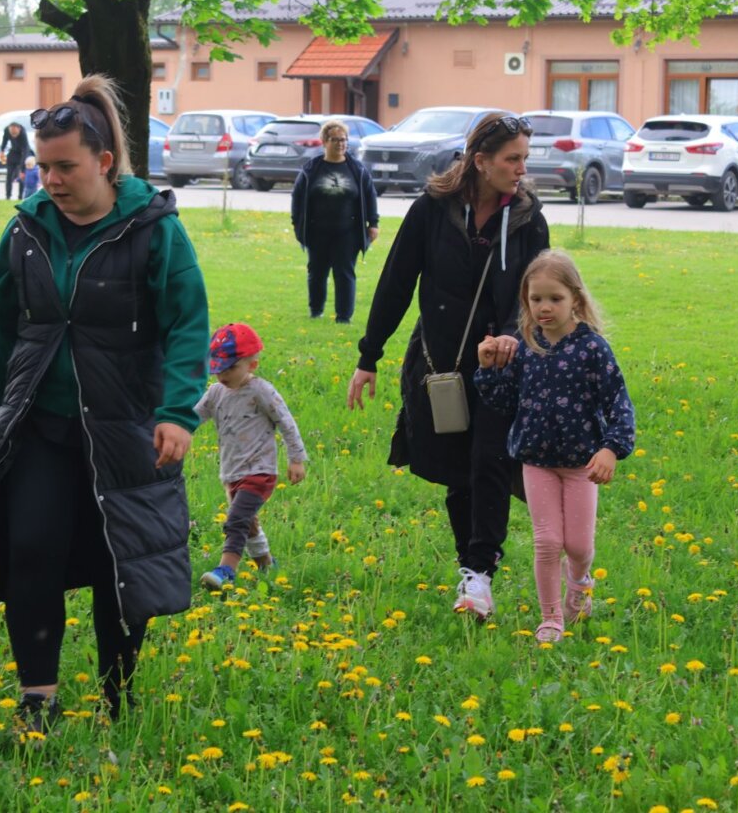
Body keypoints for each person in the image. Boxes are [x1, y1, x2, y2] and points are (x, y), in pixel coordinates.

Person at [0, 75, 210, 731]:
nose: (48, 179)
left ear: (104, 162)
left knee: (122, 564)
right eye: (40, 166)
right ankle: (39, 698)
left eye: (64, 167)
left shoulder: (154, 230)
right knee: (31, 551)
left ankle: (119, 695)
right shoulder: (25, 231)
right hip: (40, 427)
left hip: (125, 427)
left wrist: (175, 413)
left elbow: (188, 325)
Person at [346, 112, 550, 620]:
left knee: (489, 461)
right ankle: (472, 569)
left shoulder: (528, 218)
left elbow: (537, 294)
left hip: (502, 366)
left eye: (525, 157)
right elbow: (396, 282)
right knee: (461, 470)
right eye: (512, 159)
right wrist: (368, 356)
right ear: (480, 161)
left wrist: (509, 335)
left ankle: (480, 571)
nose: (522, 168)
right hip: (439, 364)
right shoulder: (432, 210)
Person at [473, 251, 635, 643]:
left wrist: (611, 448)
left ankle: (579, 585)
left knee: (578, 545)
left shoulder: (593, 349)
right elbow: (503, 403)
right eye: (535, 299)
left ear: (575, 299)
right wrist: (489, 368)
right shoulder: (525, 347)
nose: (544, 308)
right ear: (525, 301)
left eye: (555, 299)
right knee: (548, 541)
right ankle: (551, 619)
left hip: (582, 464)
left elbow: (619, 403)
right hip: (536, 461)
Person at [195, 323, 306, 590]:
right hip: (231, 472)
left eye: (230, 367)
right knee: (249, 524)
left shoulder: (260, 391)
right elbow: (192, 417)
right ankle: (267, 566)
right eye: (218, 367)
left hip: (260, 470)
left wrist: (296, 458)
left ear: (252, 364)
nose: (222, 374)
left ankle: (226, 570)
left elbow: (286, 422)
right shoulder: (215, 393)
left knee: (235, 521)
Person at [291, 120, 380, 323]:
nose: (340, 144)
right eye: (335, 140)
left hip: (348, 231)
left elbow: (369, 195)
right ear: (324, 141)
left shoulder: (357, 170)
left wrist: (373, 224)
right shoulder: (311, 170)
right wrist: (297, 224)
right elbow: (297, 197)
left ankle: (344, 316)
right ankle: (316, 311)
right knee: (317, 272)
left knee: (344, 273)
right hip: (317, 231)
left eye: (344, 140)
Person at [1, 121, 30, 200]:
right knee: (9, 176)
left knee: (20, 176)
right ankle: (8, 196)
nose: (13, 136)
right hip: (13, 152)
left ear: (19, 129)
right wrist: (2, 150)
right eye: (12, 134)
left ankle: (20, 196)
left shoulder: (23, 133)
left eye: (15, 134)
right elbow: (5, 140)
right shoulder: (6, 130)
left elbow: (25, 150)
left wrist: (22, 170)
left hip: (22, 153)